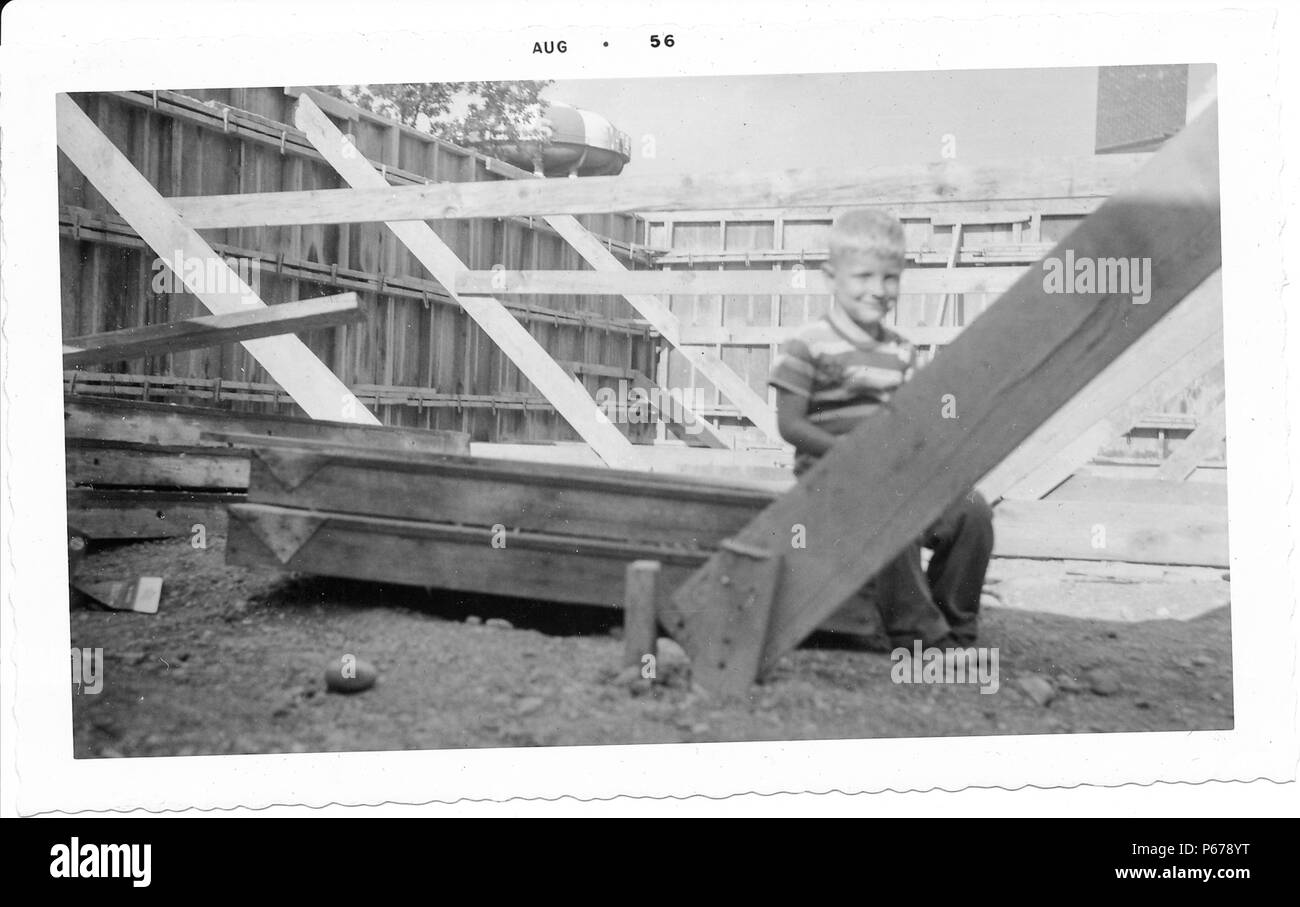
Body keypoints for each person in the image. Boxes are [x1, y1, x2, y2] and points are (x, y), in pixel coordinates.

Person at [768, 208, 994, 651]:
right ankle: (916, 631)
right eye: (864, 276)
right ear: (831, 277)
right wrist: (851, 453)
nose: (878, 290)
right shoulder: (807, 344)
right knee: (893, 511)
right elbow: (790, 424)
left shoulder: (901, 351)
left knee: (972, 510)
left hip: (893, 473)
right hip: (832, 479)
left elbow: (912, 423)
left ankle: (956, 623)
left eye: (890, 278)